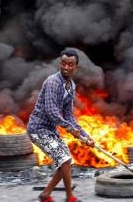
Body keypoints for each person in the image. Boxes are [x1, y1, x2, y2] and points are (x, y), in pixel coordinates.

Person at [27, 49, 95, 202]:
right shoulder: (52, 82)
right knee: (64, 159)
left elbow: (69, 115)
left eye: (70, 64)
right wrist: (71, 130)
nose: (66, 67)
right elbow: (52, 112)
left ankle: (45, 195)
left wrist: (85, 136)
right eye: (63, 63)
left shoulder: (70, 86)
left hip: (50, 130)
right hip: (38, 129)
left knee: (66, 161)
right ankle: (70, 197)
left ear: (75, 67)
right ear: (60, 64)